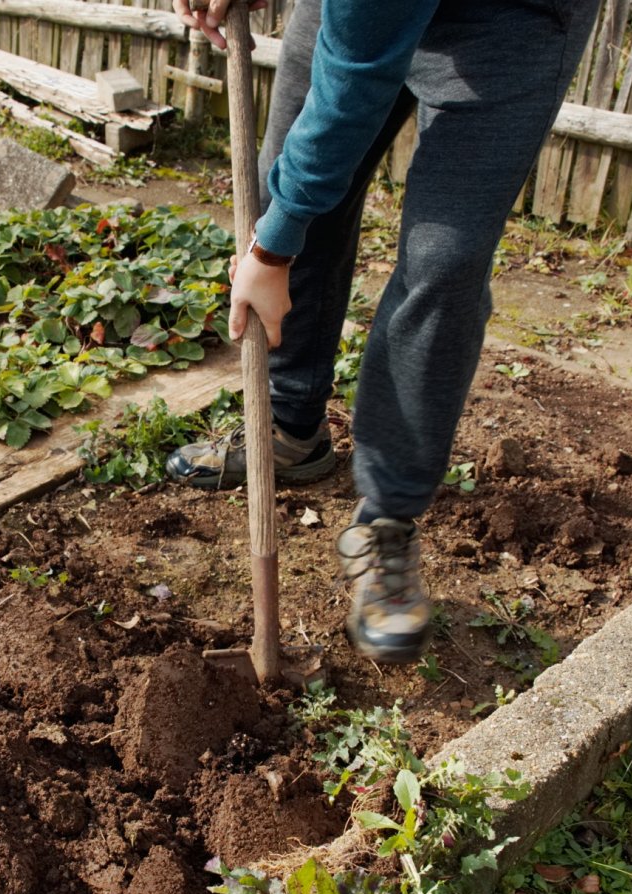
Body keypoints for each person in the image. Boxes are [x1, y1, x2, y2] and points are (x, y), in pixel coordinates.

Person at [166, 0, 598, 662]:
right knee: (291, 191)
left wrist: (273, 247)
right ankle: (289, 428)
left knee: (444, 262)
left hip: (513, 22)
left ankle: (385, 521)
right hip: (357, 16)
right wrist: (283, 229)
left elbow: (357, 76)